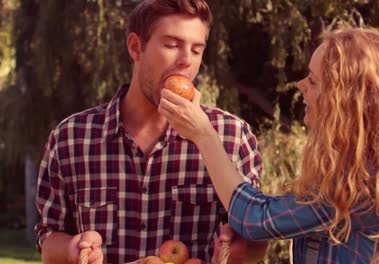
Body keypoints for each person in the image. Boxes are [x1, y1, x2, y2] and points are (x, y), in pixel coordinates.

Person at [159, 27, 379, 263]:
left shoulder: (357, 183)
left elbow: (255, 219)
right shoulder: (363, 169)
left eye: (313, 80)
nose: (300, 85)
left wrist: (204, 134)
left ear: (343, 102)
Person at [35, 0, 267, 263]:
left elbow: (257, 242)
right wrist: (72, 248)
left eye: (196, 50)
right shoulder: (71, 138)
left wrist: (240, 250)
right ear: (136, 47)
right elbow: (48, 237)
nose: (185, 61)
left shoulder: (232, 137)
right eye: (171, 45)